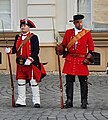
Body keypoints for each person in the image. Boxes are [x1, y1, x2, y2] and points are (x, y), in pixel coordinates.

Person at [55, 14, 94, 109]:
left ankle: (84, 101)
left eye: (81, 22)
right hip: (70, 59)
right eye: (77, 22)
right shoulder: (68, 33)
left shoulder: (87, 33)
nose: (80, 24)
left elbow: (91, 48)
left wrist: (88, 57)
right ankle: (69, 100)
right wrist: (59, 48)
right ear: (74, 23)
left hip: (81, 60)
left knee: (83, 81)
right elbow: (64, 45)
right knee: (69, 81)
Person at [5, 19, 45, 108]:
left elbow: (36, 50)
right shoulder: (17, 37)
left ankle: (36, 101)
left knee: (33, 82)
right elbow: (15, 49)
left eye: (25, 25)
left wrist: (30, 59)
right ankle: (21, 100)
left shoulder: (33, 37)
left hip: (30, 64)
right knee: (21, 81)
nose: (23, 27)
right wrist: (10, 51)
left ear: (29, 27)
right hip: (20, 63)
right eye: (22, 25)